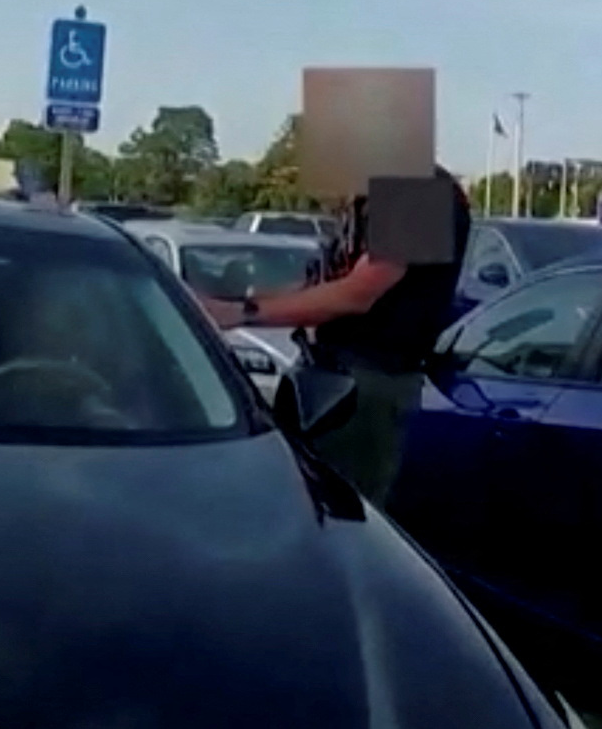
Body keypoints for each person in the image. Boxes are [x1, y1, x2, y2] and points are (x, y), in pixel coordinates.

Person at [197, 170, 471, 505]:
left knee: (342, 514)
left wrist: (245, 313)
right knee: (303, 502)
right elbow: (322, 287)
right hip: (328, 376)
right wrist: (226, 305)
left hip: (369, 383)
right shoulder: (372, 194)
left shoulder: (418, 187)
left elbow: (361, 292)